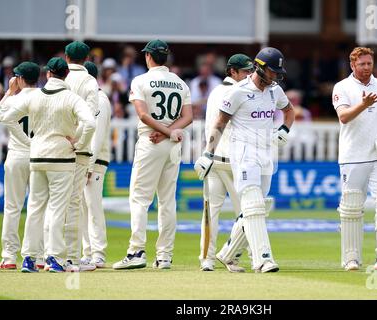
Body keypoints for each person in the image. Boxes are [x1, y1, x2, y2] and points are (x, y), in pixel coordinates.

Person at [195, 47, 295, 273]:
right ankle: (263, 259)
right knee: (253, 205)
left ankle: (227, 253)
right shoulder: (237, 91)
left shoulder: (275, 90)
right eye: (272, 71)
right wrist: (208, 153)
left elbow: (290, 112)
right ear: (259, 68)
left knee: (258, 206)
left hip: (266, 153)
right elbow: (219, 124)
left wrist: (284, 130)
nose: (276, 76)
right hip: (243, 154)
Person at [0, 57, 95, 272]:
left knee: (34, 209)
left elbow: (5, 116)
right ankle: (52, 258)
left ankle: (28, 259)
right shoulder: (71, 97)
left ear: (49, 74)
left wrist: (30, 141)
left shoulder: (35, 97)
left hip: (37, 156)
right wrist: (79, 142)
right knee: (56, 209)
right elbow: (90, 122)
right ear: (66, 75)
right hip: (61, 158)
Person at [112, 39, 192, 270]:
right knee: (167, 201)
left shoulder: (141, 80)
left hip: (151, 141)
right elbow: (187, 117)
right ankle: (165, 256)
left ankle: (136, 251)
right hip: (172, 144)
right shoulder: (180, 83)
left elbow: (143, 115)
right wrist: (170, 133)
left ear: (148, 56)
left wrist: (163, 132)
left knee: (139, 199)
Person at [331, 47, 377, 271]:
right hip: (353, 156)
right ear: (352, 65)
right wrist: (363, 104)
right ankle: (351, 259)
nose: (366, 68)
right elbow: (343, 117)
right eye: (361, 64)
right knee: (352, 208)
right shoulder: (342, 87)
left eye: (369, 64)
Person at [199, 53, 254, 272]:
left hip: (213, 158)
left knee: (211, 212)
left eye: (251, 71)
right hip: (233, 160)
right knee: (246, 213)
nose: (250, 75)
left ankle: (207, 259)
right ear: (233, 71)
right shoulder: (240, 91)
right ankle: (238, 257)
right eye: (246, 71)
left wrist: (207, 152)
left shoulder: (215, 91)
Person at [0, 62, 43, 270]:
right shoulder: (45, 97)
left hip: (17, 155)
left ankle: (9, 257)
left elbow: (1, 114)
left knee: (12, 207)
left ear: (19, 78)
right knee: (38, 208)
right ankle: (40, 256)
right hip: (40, 155)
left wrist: (9, 90)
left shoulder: (12, 100)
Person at [63, 40, 99, 272]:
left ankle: (49, 256)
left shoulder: (59, 78)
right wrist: (80, 143)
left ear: (66, 57)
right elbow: (91, 117)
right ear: (87, 59)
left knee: (53, 203)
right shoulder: (89, 80)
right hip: (78, 150)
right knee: (74, 204)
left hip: (55, 148)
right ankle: (72, 259)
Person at [80, 61, 111, 269]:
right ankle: (87, 251)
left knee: (93, 205)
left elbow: (98, 138)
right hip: (84, 160)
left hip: (96, 160)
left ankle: (98, 252)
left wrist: (89, 167)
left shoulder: (100, 99)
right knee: (83, 207)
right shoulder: (89, 98)